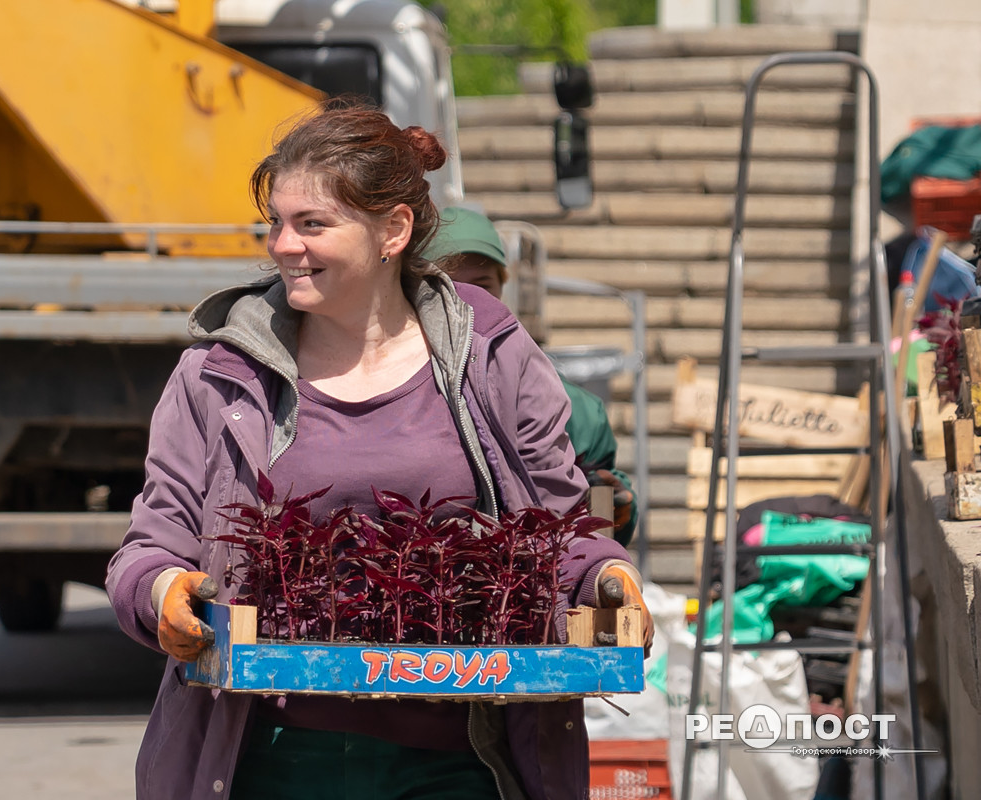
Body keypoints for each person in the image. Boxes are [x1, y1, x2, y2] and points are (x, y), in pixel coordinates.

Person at [106, 99, 653, 800]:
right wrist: (162, 592)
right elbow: (153, 540)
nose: (283, 245)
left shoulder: (492, 354)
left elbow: (560, 524)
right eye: (276, 222)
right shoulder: (219, 374)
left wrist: (608, 575)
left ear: (392, 229)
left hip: (462, 755)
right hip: (271, 754)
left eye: (312, 224)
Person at [424, 206, 639, 546]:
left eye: (482, 286)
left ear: (503, 287)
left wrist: (618, 505)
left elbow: (604, 518)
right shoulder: (402, 396)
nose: (467, 301)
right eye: (449, 286)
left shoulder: (576, 411)